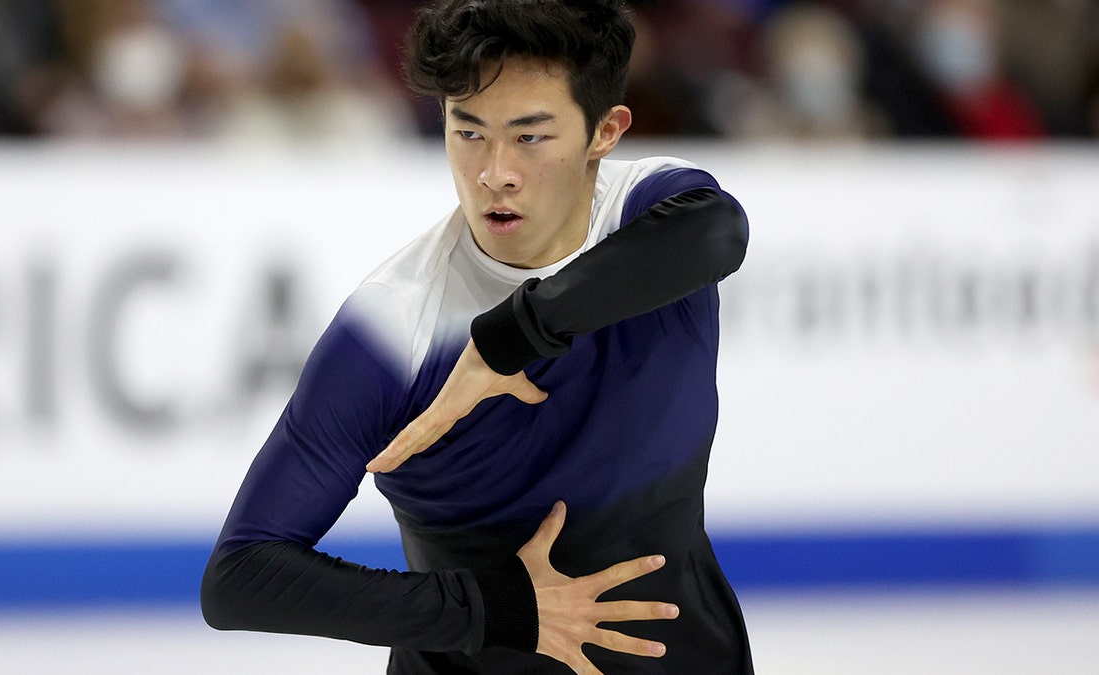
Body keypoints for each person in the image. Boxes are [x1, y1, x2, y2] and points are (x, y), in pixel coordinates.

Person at [201, 1, 752, 673]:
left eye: (530, 136)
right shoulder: (395, 326)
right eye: (468, 133)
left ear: (604, 132)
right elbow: (241, 576)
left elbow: (718, 232)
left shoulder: (649, 215)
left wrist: (506, 338)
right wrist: (495, 609)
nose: (496, 172)